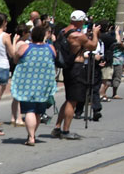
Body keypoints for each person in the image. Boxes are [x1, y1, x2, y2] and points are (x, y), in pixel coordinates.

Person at [52, 11, 99, 140]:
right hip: (76, 68)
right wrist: (95, 33)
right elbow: (93, 46)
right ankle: (66, 131)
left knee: (69, 99)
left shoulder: (63, 32)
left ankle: (57, 127)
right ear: (80, 21)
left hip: (68, 67)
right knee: (73, 101)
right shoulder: (78, 35)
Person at [9, 24, 57, 146]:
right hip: (44, 84)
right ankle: (33, 134)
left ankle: (31, 137)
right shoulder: (50, 48)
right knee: (38, 112)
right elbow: (54, 59)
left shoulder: (25, 47)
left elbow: (15, 59)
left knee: (29, 110)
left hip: (27, 84)